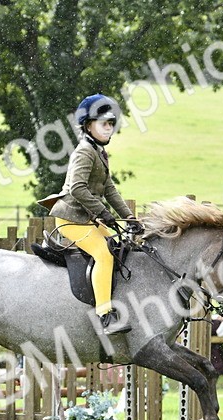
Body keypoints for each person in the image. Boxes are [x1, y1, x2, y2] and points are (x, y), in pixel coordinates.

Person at [43, 94, 141, 334]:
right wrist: (103, 213)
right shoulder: (84, 152)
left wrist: (129, 218)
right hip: (71, 219)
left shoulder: (99, 152)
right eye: (103, 123)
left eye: (111, 124)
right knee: (105, 255)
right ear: (88, 126)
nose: (109, 128)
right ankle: (105, 316)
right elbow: (77, 188)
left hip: (87, 218)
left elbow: (109, 189)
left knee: (118, 247)